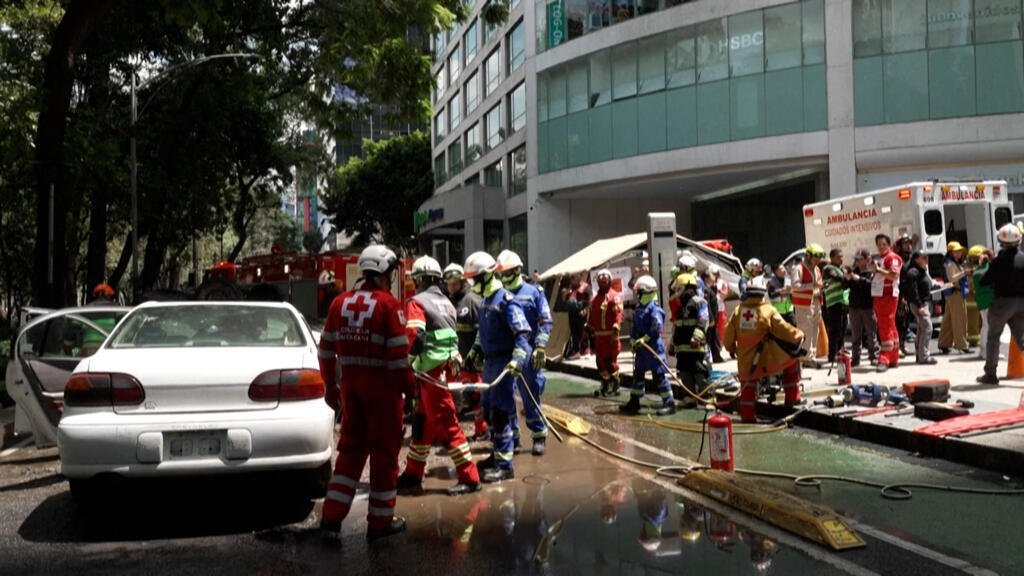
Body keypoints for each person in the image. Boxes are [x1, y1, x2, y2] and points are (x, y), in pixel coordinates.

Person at [318, 244, 411, 542]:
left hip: (351, 392)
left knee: (349, 455)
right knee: (384, 458)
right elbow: (399, 361)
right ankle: (380, 523)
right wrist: (412, 391)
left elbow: (325, 351)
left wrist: (330, 387)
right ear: (385, 272)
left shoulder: (338, 304)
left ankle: (331, 520)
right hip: (382, 395)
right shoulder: (389, 305)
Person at [397, 256, 481, 496]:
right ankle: (413, 474)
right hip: (445, 370)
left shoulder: (417, 302)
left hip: (430, 373)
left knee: (448, 424)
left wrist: (406, 364)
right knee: (422, 426)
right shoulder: (447, 302)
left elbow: (416, 337)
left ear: (420, 279)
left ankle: (470, 477)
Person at [463, 251, 532, 482]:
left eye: (474, 279)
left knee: (501, 413)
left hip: (503, 363)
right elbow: (483, 334)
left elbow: (522, 333)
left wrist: (517, 360)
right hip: (489, 363)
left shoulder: (505, 301)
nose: (471, 284)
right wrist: (475, 350)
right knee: (489, 411)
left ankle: (505, 465)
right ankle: (497, 454)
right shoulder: (485, 301)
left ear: (484, 277)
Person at [495, 249, 553, 456]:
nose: (503, 277)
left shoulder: (534, 293)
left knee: (530, 394)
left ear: (518, 270)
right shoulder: (499, 295)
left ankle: (539, 435)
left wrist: (539, 347)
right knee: (505, 396)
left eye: (507, 272)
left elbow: (545, 320)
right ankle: (513, 436)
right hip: (505, 352)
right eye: (500, 273)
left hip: (527, 351)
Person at [724, 276, 804, 423]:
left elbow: (727, 337)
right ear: (762, 293)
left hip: (745, 361)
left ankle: (747, 417)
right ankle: (792, 399)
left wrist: (731, 348)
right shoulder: (768, 310)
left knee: (747, 388)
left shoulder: (738, 311)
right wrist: (798, 335)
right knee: (792, 362)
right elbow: (784, 329)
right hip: (765, 358)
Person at [621, 275, 676, 415]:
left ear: (645, 292)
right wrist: (633, 340)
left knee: (659, 376)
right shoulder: (640, 308)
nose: (637, 295)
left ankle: (669, 403)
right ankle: (634, 401)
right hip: (641, 350)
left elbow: (657, 327)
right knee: (638, 375)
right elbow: (635, 326)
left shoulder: (654, 309)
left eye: (639, 292)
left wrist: (644, 339)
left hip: (653, 348)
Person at [445, 263, 488, 439]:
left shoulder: (472, 300)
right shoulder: (450, 301)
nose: (451, 287)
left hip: (472, 360)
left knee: (476, 397)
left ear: (463, 282)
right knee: (457, 397)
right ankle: (454, 432)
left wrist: (477, 355)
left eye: (455, 283)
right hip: (456, 360)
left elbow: (483, 330)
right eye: (449, 283)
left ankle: (482, 430)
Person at [977, 224, 1024, 384]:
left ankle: (990, 374)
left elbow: (984, 280)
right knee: (1022, 338)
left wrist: (985, 265)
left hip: (1002, 303)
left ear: (1001, 242)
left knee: (993, 338)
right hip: (1021, 303)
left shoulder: (998, 261)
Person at [669, 272, 711, 409]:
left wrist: (696, 338)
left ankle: (708, 398)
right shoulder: (680, 306)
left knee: (699, 372)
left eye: (678, 287)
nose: (676, 291)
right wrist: (672, 344)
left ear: (686, 287)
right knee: (684, 372)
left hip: (695, 347)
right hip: (682, 348)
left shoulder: (699, 302)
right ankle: (689, 397)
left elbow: (703, 320)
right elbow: (677, 326)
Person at [587, 269, 624, 397]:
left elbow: (618, 314)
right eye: (600, 281)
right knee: (600, 362)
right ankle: (605, 384)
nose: (602, 283)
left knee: (610, 362)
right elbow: (592, 315)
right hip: (599, 338)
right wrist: (588, 327)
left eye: (605, 281)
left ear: (609, 281)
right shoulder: (595, 299)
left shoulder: (614, 297)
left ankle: (615, 386)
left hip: (610, 337)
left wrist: (615, 329)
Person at [871, 234, 903, 373]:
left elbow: (893, 275)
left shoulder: (892, 258)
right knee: (890, 325)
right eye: (879, 244)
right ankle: (894, 357)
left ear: (889, 245)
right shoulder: (882, 258)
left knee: (885, 326)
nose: (881, 247)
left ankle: (884, 358)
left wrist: (877, 270)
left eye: (884, 244)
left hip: (887, 296)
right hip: (880, 295)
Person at [790, 244, 825, 367]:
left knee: (815, 330)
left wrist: (822, 287)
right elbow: (795, 286)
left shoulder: (816, 269)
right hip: (803, 305)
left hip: (815, 302)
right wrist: (813, 286)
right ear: (808, 256)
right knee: (806, 330)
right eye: (816, 258)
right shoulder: (798, 268)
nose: (818, 261)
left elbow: (818, 283)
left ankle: (812, 356)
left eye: (819, 259)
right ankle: (805, 358)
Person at [902, 251, 938, 365]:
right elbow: (913, 291)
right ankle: (924, 356)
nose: (927, 259)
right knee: (928, 327)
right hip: (919, 304)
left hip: (923, 303)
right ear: (917, 259)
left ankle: (920, 355)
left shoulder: (921, 271)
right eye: (924, 257)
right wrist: (919, 306)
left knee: (922, 328)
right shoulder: (913, 272)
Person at [845, 249, 878, 366]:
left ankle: (873, 356)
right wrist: (847, 279)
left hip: (867, 307)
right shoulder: (854, 271)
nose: (858, 262)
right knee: (855, 335)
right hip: (854, 307)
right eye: (856, 260)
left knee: (871, 333)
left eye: (860, 259)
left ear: (866, 259)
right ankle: (855, 358)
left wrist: (859, 279)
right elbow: (845, 287)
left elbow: (872, 285)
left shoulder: (872, 271)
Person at [938, 241, 972, 354]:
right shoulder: (950, 263)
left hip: (951, 293)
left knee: (948, 319)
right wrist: (964, 272)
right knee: (960, 319)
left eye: (960, 251)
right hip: (955, 293)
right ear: (950, 252)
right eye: (956, 251)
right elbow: (952, 278)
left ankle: (944, 343)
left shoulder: (952, 262)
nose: (959, 253)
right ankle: (962, 344)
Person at [821, 249, 849, 363]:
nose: (841, 259)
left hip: (842, 303)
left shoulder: (841, 269)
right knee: (834, 330)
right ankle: (832, 355)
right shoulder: (828, 268)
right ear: (832, 258)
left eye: (842, 256)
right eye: (839, 257)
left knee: (843, 329)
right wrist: (846, 277)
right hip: (833, 304)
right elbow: (839, 279)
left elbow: (845, 284)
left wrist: (846, 278)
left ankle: (840, 352)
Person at [972, 247, 995, 360]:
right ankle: (986, 353)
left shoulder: (977, 270)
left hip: (982, 301)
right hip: (989, 300)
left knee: (985, 326)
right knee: (988, 326)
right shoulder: (989, 268)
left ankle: (983, 351)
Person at [563, 273, 591, 359]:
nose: (572, 280)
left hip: (581, 311)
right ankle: (576, 351)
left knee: (583, 331)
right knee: (574, 332)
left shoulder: (585, 287)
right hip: (572, 312)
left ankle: (586, 350)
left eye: (574, 278)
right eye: (571, 278)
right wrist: (565, 293)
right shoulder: (570, 288)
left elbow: (590, 299)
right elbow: (564, 299)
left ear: (579, 278)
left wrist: (586, 310)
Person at [702, 268, 724, 364]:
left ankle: (716, 356)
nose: (714, 277)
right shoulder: (705, 289)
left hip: (713, 319)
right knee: (709, 339)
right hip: (710, 320)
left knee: (714, 337)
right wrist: (711, 319)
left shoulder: (710, 288)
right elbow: (707, 305)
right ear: (707, 278)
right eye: (712, 275)